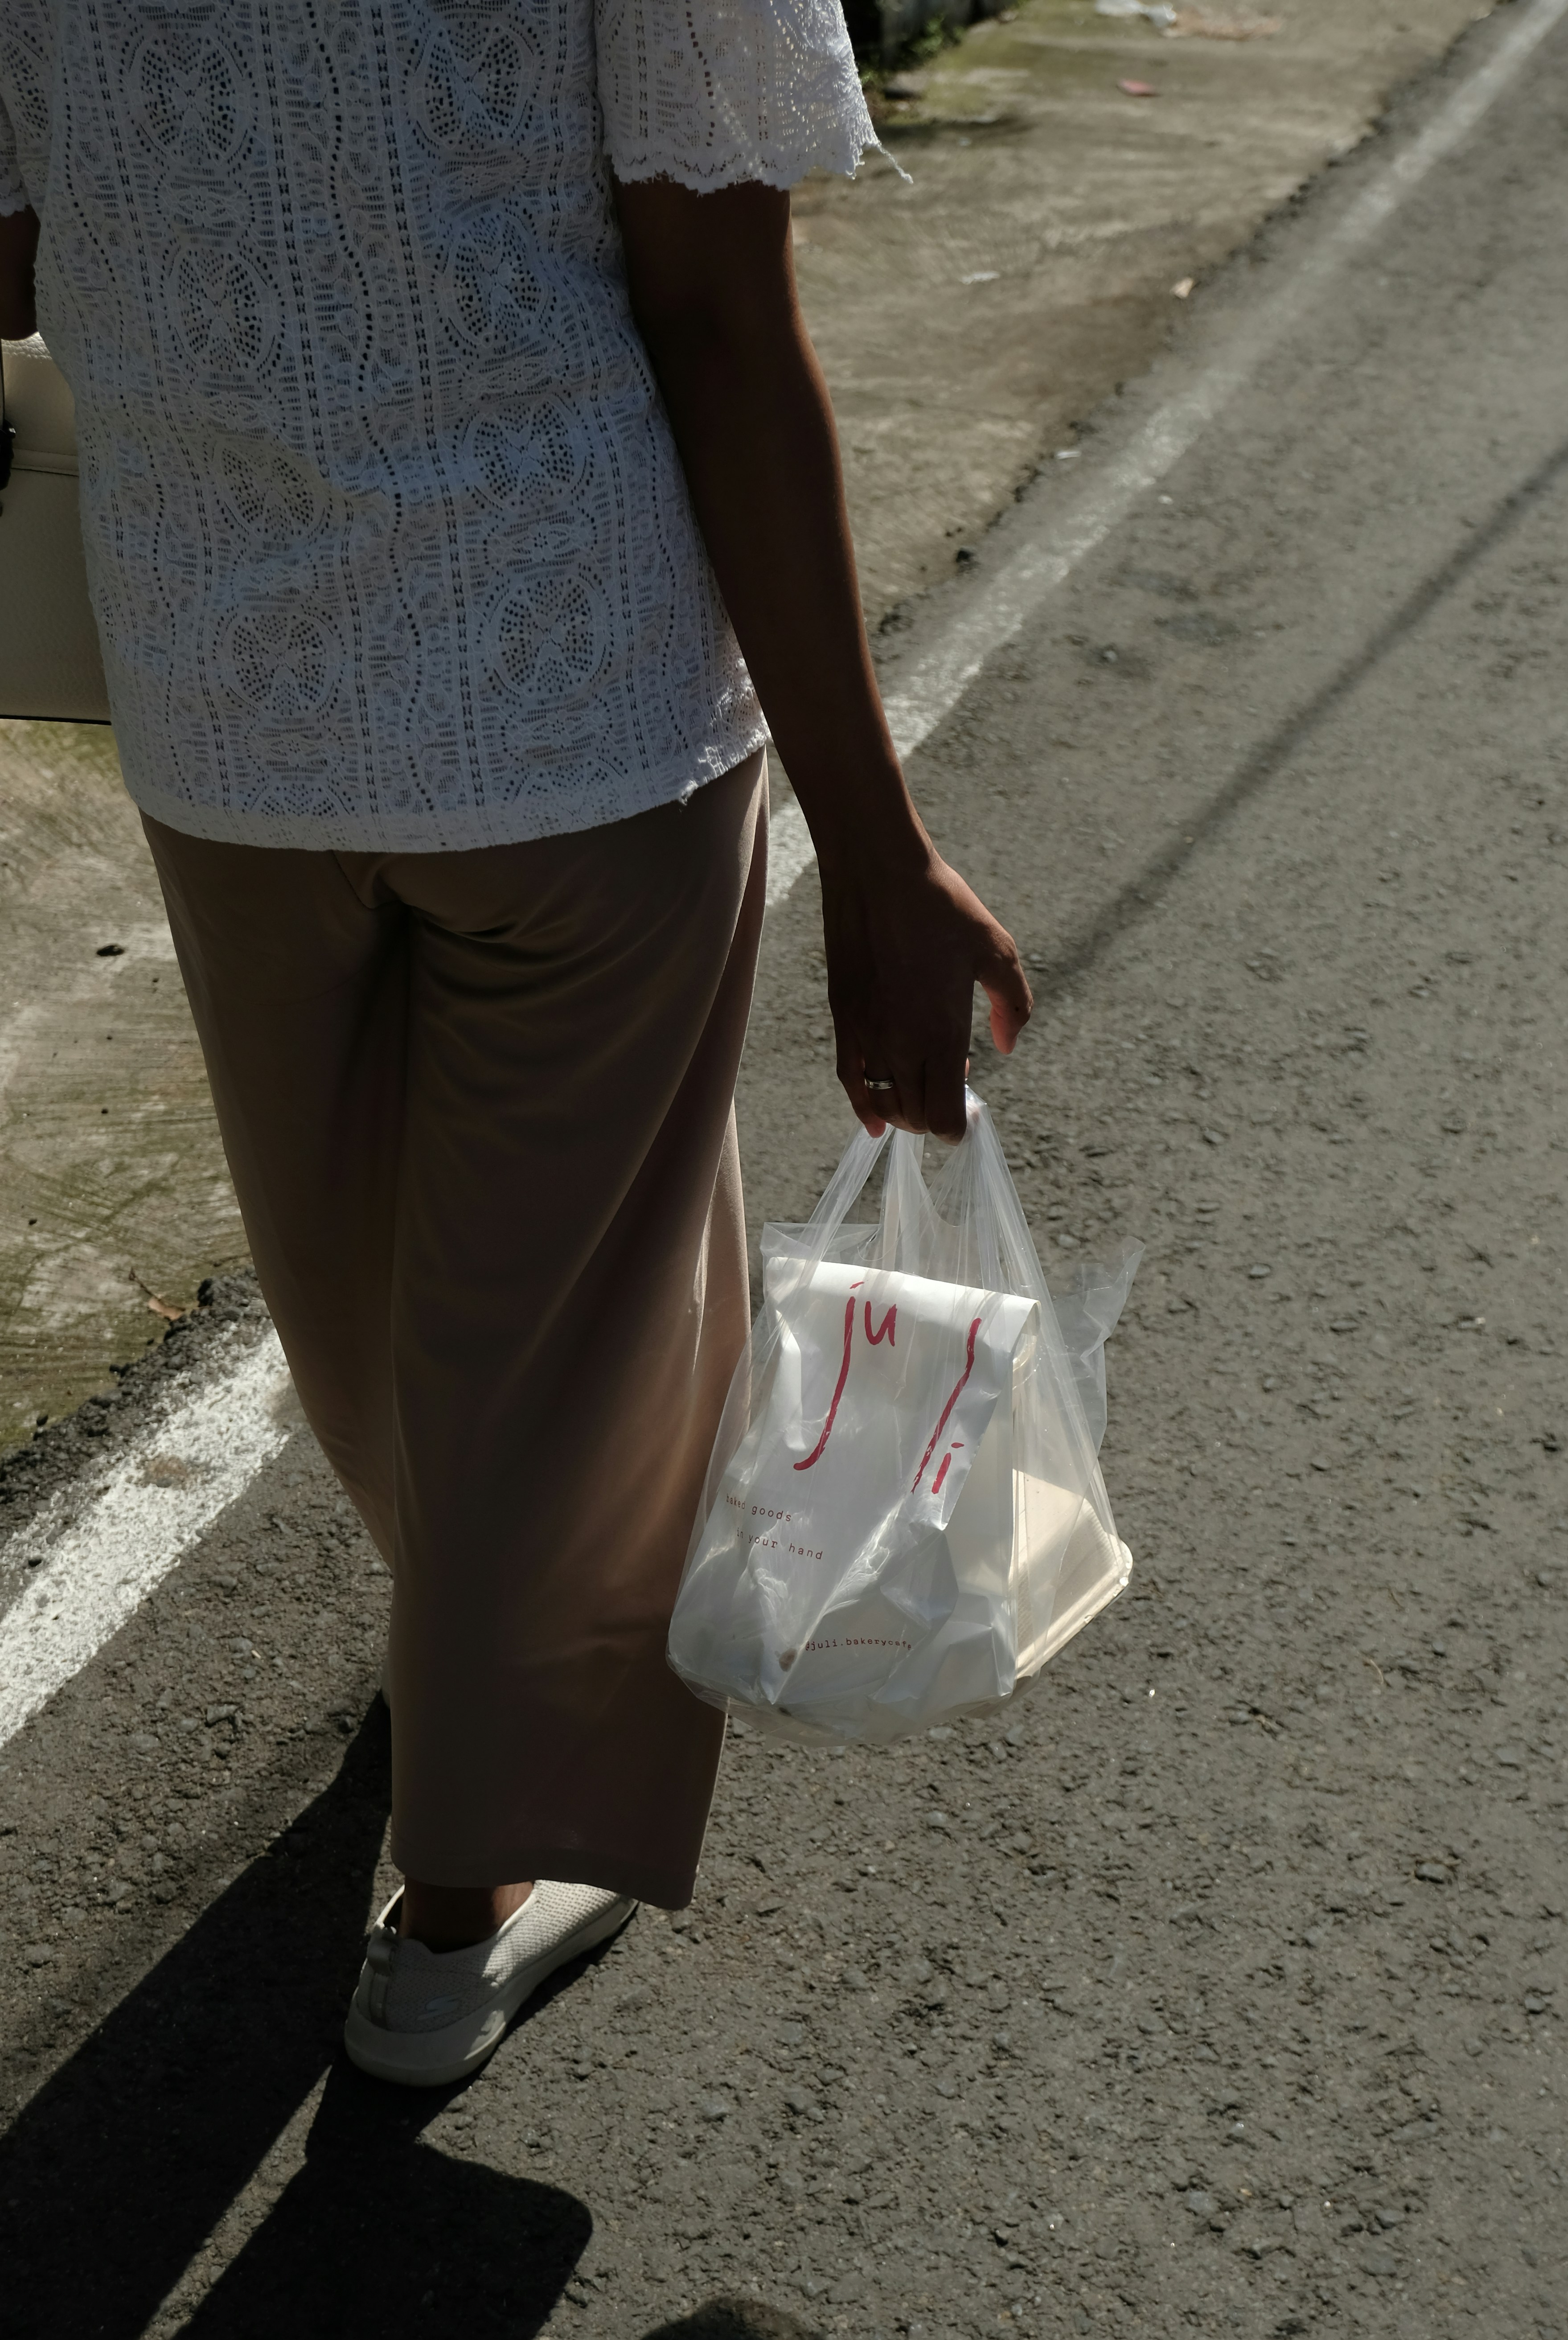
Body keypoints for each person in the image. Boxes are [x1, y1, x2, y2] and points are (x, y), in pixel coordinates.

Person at [0, 0, 1030, 2085]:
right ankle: (461, 1901)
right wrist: (875, 844)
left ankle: (465, 1656)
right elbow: (722, 323)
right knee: (557, 1339)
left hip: (232, 718)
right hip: (573, 719)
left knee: (359, 1294)